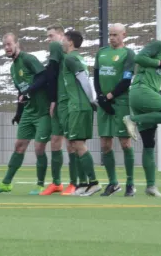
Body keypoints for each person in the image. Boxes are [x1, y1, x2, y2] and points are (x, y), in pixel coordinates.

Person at [0, 33, 51, 195]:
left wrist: (30, 92)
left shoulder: (28, 59)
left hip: (43, 112)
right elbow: (21, 93)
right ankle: (6, 183)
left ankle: (40, 185)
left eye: (9, 44)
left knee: (39, 148)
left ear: (17, 44)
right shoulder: (12, 67)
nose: (7, 48)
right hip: (28, 112)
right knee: (19, 146)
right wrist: (18, 113)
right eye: (5, 45)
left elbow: (43, 77)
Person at [123, 24, 161, 197]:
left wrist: (157, 91)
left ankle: (150, 186)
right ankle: (133, 119)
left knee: (149, 144)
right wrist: (160, 63)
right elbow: (139, 57)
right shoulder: (158, 45)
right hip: (141, 91)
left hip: (143, 95)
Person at [94, 23, 136, 197]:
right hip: (104, 104)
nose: (111, 38)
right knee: (105, 144)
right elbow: (95, 76)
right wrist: (100, 97)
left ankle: (130, 183)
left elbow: (126, 80)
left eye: (115, 35)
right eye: (110, 34)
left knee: (125, 143)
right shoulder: (101, 52)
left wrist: (109, 96)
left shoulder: (128, 54)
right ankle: (113, 183)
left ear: (124, 35)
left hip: (121, 103)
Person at [62, 30, 101, 196]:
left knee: (78, 144)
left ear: (70, 42)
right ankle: (83, 184)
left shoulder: (71, 58)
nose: (62, 42)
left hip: (79, 106)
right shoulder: (77, 57)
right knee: (73, 144)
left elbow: (84, 78)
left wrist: (92, 100)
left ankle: (93, 183)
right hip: (76, 106)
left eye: (64, 39)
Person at [41, 24, 78, 195]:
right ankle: (57, 182)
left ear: (62, 36)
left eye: (51, 35)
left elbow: (52, 73)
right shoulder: (59, 50)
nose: (49, 40)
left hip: (66, 101)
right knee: (56, 140)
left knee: (71, 142)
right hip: (59, 100)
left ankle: (74, 183)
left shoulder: (58, 47)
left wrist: (53, 99)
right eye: (48, 37)